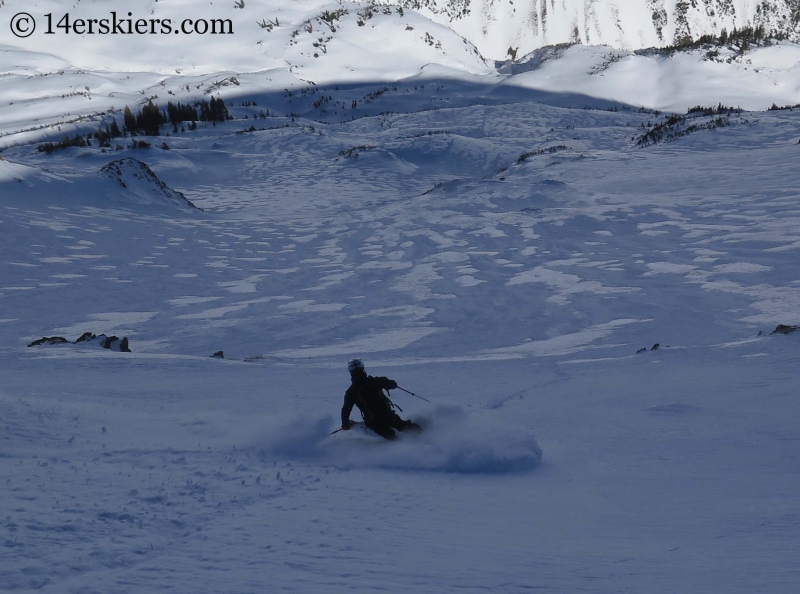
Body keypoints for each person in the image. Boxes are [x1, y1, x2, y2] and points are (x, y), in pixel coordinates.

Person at [341, 358, 420, 440]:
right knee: (403, 426)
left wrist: (345, 424)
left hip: (373, 421)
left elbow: (346, 410)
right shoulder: (375, 381)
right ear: (363, 367)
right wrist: (389, 383)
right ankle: (423, 435)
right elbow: (392, 384)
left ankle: (403, 446)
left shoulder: (351, 391)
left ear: (350, 372)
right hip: (387, 415)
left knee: (391, 436)